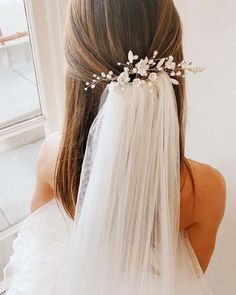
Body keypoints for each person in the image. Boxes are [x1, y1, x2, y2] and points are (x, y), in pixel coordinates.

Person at [4, 0, 226, 294]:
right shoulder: (205, 188)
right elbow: (193, 269)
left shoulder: (54, 156)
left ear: (76, 69)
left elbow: (38, 237)